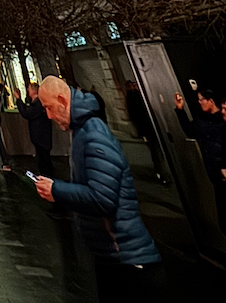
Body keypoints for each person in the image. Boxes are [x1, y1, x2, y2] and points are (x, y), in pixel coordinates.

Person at [36, 76, 164, 301]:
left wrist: (57, 190)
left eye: (49, 108)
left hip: (127, 261)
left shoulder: (93, 134)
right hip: (114, 257)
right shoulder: (82, 131)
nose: (48, 116)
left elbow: (102, 198)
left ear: (62, 100)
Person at [174, 87, 226, 228]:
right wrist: (180, 110)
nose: (199, 103)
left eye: (201, 100)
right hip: (216, 175)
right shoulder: (201, 121)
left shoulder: (222, 121)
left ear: (210, 101)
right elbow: (190, 131)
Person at [125, 80, 165, 183]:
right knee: (155, 150)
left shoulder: (134, 97)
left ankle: (160, 172)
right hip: (148, 128)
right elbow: (135, 115)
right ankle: (160, 172)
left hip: (148, 128)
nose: (134, 86)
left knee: (156, 150)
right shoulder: (134, 97)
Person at [14, 83, 54, 178]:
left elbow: (27, 113)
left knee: (44, 160)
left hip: (41, 136)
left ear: (34, 91)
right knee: (42, 158)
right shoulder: (37, 103)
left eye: (29, 89)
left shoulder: (38, 104)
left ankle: (47, 179)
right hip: (40, 137)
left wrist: (19, 99)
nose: (28, 91)